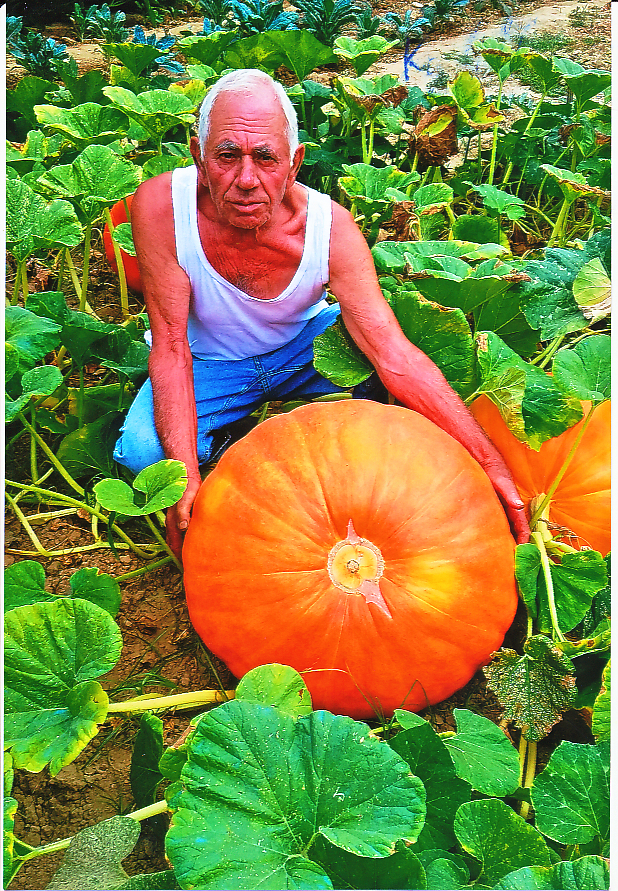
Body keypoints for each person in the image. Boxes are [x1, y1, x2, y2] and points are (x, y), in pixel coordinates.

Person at [114, 69, 529, 559]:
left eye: (265, 158)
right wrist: (182, 474)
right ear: (198, 158)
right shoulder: (162, 206)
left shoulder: (331, 228)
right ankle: (241, 449)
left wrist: (489, 461)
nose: (247, 180)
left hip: (305, 351)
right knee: (145, 453)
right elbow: (169, 346)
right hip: (210, 364)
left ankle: (366, 457)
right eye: (227, 155)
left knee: (387, 366)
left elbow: (393, 354)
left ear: (294, 163)